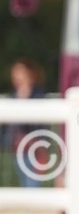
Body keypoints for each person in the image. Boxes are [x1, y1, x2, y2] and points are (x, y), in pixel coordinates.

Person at [4, 59, 47, 188]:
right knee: (24, 177)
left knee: (33, 179)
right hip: (16, 145)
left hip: (33, 144)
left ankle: (33, 206)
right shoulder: (14, 95)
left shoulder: (38, 93)